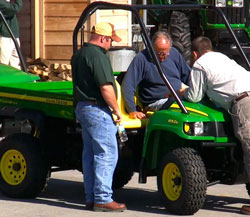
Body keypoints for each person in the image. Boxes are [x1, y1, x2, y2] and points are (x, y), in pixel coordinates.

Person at [182, 36, 250, 215]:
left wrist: (182, 91)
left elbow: (194, 96)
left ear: (195, 54)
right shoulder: (223, 57)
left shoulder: (200, 64)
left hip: (244, 102)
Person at [71, 22, 127, 212]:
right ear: (103, 38)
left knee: (90, 155)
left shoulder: (78, 55)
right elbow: (106, 87)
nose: (111, 44)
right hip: (97, 109)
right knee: (106, 154)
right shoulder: (98, 56)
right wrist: (117, 111)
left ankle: (91, 197)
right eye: (111, 40)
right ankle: (103, 198)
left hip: (83, 108)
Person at [121, 31, 190, 119]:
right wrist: (132, 110)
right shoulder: (142, 58)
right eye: (160, 53)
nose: (163, 56)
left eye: (166, 53)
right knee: (177, 106)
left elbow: (188, 76)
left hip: (177, 97)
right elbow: (128, 85)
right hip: (156, 102)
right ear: (152, 48)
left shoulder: (174, 54)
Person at [0, 0, 23, 69]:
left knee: (15, 64)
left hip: (14, 36)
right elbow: (14, 9)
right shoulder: (1, 3)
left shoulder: (7, 3)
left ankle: (16, 79)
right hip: (5, 37)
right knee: (3, 65)